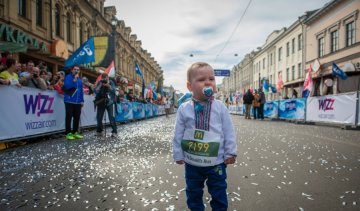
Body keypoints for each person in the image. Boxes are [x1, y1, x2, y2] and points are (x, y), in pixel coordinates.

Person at [172, 62, 237, 211]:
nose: (208, 82)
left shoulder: (220, 107)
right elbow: (178, 133)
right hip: (192, 162)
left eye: (211, 79)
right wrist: (177, 153)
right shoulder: (184, 109)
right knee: (193, 193)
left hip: (217, 161)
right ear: (190, 86)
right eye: (201, 80)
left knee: (219, 192)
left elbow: (228, 131)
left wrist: (230, 152)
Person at [63, 66, 84, 140]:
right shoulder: (68, 77)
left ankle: (75, 132)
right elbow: (67, 86)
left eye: (78, 70)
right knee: (69, 117)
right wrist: (74, 80)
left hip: (78, 102)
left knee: (77, 117)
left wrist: (82, 100)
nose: (76, 71)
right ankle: (68, 133)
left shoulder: (80, 80)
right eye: (75, 69)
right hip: (69, 101)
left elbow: (81, 91)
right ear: (72, 70)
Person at [94, 73, 117, 137]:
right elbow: (96, 91)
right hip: (101, 102)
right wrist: (97, 87)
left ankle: (114, 131)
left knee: (111, 118)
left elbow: (114, 90)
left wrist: (108, 86)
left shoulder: (111, 82)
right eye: (103, 78)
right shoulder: (100, 82)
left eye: (106, 78)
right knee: (99, 117)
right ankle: (99, 131)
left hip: (110, 102)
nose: (105, 79)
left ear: (108, 77)